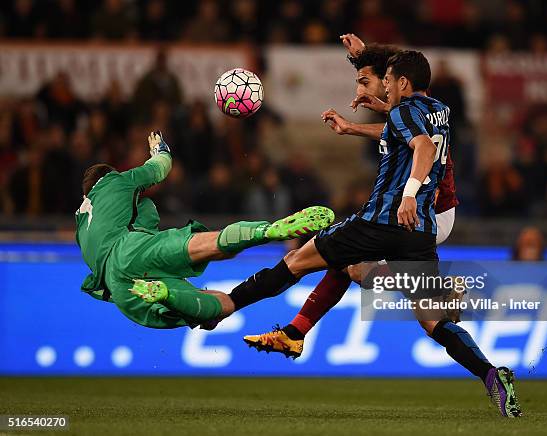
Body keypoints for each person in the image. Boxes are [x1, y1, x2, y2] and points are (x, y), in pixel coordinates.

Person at [214, 50, 521, 418]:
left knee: (297, 261)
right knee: (431, 320)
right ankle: (491, 376)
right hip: (419, 230)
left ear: (403, 83)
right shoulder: (439, 110)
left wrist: (407, 193)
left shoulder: (406, 112)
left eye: (389, 81)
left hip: (379, 220)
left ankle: (228, 306)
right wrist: (360, 120)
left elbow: (419, 144)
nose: (386, 87)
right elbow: (408, 131)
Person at [244, 33, 459, 357]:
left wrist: (366, 57)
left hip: (426, 210)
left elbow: (414, 139)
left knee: (355, 267)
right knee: (343, 258)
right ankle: (295, 332)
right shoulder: (414, 110)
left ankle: (437, 290)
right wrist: (353, 123)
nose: (363, 90)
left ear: (397, 81)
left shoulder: (409, 109)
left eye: (366, 80)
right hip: (427, 209)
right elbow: (399, 131)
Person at [76, 131, 334, 329]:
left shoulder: (81, 228)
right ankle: (267, 231)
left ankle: (169, 297)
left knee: (223, 306)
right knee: (207, 245)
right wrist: (159, 148)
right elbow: (161, 166)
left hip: (119, 291)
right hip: (131, 249)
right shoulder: (114, 182)